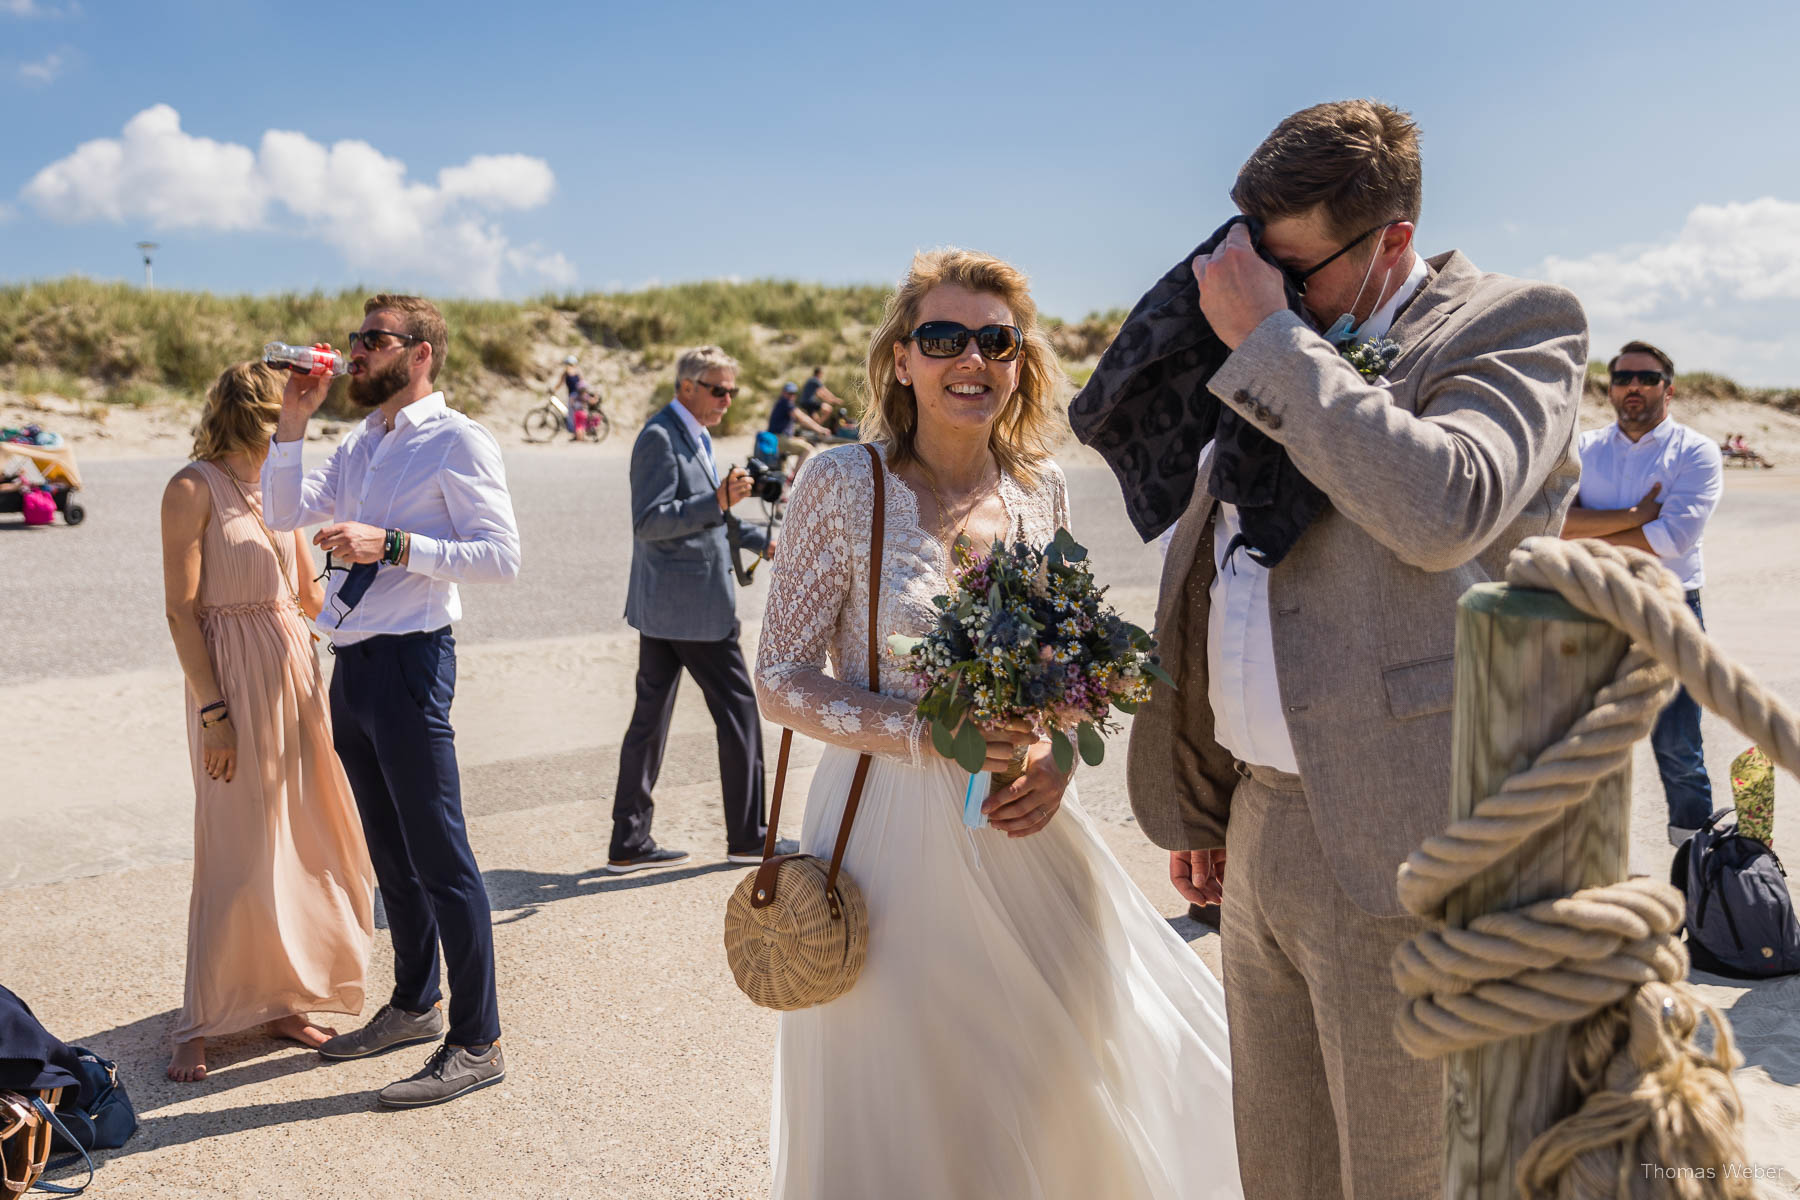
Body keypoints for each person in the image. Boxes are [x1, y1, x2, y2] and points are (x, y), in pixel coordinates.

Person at [1074, 100, 1588, 1200]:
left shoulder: (1517, 325)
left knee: (1405, 1173)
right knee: (1284, 1164)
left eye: (1296, 267)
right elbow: (1224, 574)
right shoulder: (1283, 335)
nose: (1264, 286)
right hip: (1262, 823)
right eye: (1256, 259)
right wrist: (1210, 794)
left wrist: (1273, 341)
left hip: (1412, 831)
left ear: (1391, 240)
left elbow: (1443, 503)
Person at [755, 249, 1239, 1199]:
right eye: (942, 338)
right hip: (884, 839)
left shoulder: (1040, 489)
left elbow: (1066, 668)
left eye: (995, 340)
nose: (969, 359)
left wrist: (1058, 754)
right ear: (901, 360)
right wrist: (926, 734)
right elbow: (778, 678)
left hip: (1025, 827)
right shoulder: (842, 483)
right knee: (918, 1082)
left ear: (1020, 364)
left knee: (1061, 1065)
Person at [263, 294, 521, 1109]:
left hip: (414, 659)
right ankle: (415, 1003)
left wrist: (395, 544)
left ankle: (479, 1040)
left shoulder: (457, 439)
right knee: (391, 857)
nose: (357, 352)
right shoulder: (360, 443)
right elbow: (279, 513)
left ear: (420, 353)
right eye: (356, 339)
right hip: (355, 661)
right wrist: (294, 420)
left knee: (443, 860)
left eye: (374, 340)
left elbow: (501, 558)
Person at [158, 361, 373, 1083]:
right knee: (234, 843)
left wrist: (380, 583)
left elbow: (311, 599)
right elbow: (181, 612)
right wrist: (213, 712)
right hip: (232, 685)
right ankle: (201, 1017)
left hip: (296, 676)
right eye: (287, 406)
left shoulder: (285, 493)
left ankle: (284, 998)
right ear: (255, 411)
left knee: (298, 839)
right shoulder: (192, 487)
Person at [610, 346, 796, 873]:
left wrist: (763, 539)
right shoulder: (658, 437)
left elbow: (712, 518)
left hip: (668, 608)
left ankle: (628, 842)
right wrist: (716, 500)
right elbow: (649, 521)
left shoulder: (695, 435)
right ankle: (748, 836)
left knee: (649, 722)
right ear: (686, 386)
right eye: (718, 389)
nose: (727, 399)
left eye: (732, 390)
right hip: (690, 610)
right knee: (738, 711)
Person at [1563, 341, 1723, 844]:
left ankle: (1697, 893)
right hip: (1592, 606)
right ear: (1610, 388)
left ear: (1668, 390)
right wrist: (1634, 518)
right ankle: (1584, 875)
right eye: (1623, 377)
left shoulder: (1695, 452)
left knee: (1679, 751)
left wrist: (1595, 529)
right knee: (1581, 747)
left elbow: (1672, 540)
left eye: (1647, 378)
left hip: (1669, 610)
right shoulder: (1583, 450)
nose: (1634, 386)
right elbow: (1555, 525)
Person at [766, 380, 832, 469]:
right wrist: (820, 429)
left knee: (783, 465)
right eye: (789, 393)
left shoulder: (780, 404)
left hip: (776, 439)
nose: (791, 396)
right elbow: (803, 418)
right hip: (778, 440)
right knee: (807, 448)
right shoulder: (786, 403)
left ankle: (788, 477)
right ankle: (795, 478)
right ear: (783, 393)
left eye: (793, 394)